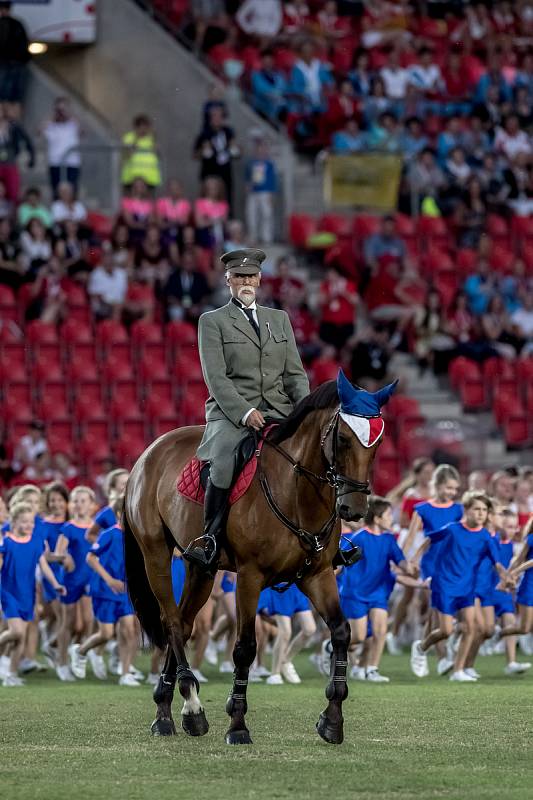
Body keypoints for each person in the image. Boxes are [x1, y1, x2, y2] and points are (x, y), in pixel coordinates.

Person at [183, 248, 310, 571]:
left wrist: (305, 411)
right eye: (239, 276)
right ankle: (209, 538)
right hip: (231, 415)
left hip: (280, 409)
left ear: (260, 279)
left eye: (251, 275)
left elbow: (294, 374)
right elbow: (216, 378)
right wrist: (243, 412)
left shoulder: (279, 319)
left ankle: (328, 538)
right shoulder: (212, 322)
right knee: (224, 460)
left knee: (318, 451)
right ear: (228, 281)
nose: (246, 281)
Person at [410, 492, 510, 683]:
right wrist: (415, 558)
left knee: (471, 628)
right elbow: (430, 540)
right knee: (446, 631)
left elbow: (497, 563)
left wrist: (505, 576)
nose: (481, 513)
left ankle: (458, 670)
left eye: (484, 510)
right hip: (445, 585)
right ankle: (421, 647)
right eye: (477, 509)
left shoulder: (486, 537)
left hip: (467, 588)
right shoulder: (452, 529)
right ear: (466, 510)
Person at [339, 497, 417, 682]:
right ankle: (335, 647)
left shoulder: (389, 539)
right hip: (355, 593)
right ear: (377, 518)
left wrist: (410, 568)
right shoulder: (358, 538)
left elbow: (400, 560)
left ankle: (371, 669)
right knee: (358, 637)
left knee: (379, 631)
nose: (392, 519)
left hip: (378, 592)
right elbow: (339, 563)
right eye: (389, 515)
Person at [70, 499, 140, 687]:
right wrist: (109, 580)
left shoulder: (136, 536)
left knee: (129, 630)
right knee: (106, 634)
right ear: (118, 515)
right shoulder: (109, 534)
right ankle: (80, 651)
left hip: (125, 590)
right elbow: (90, 558)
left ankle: (125, 673)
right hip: (104, 589)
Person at [0, 502, 66, 687]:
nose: (28, 525)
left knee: (20, 637)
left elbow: (44, 567)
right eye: (24, 522)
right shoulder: (6, 543)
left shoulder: (36, 543)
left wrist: (56, 584)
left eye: (30, 522)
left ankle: (11, 675)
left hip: (27, 595)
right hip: (8, 593)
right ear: (14, 522)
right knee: (16, 631)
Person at [55, 486, 95, 682]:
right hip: (71, 580)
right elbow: (58, 552)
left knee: (88, 622)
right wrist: (64, 557)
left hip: (89, 579)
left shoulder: (95, 527)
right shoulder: (68, 528)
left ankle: (79, 655)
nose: (79, 504)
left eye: (83, 501)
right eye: (76, 501)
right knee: (68, 622)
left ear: (91, 505)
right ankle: (61, 663)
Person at [265, 584, 316, 685]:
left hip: (297, 588)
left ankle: (285, 661)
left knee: (309, 629)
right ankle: (274, 674)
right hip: (281, 588)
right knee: (285, 632)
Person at [40, 97, 82, 198]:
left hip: (72, 163)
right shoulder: (50, 125)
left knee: (73, 191)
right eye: (59, 110)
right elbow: (39, 131)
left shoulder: (73, 125)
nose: (61, 112)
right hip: (55, 162)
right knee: (56, 191)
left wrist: (69, 114)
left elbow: (83, 131)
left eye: (64, 109)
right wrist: (53, 116)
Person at [0, 1, 30, 118]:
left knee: (6, 97)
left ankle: (8, 123)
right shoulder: (17, 24)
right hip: (15, 64)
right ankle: (9, 123)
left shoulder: (13, 24)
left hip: (8, 64)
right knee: (12, 97)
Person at [245, 138, 277, 246]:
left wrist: (271, 193)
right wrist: (248, 185)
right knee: (252, 215)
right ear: (256, 150)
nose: (261, 151)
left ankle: (266, 238)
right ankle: (253, 237)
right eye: (259, 148)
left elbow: (273, 179)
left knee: (266, 215)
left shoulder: (269, 164)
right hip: (253, 193)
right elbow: (247, 177)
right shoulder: (251, 163)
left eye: (264, 149)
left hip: (265, 192)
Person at [88, 243, 128, 321]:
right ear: (102, 259)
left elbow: (125, 293)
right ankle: (115, 331)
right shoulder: (96, 274)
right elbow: (96, 296)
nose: (109, 260)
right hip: (102, 305)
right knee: (117, 307)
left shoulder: (121, 273)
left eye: (111, 257)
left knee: (146, 306)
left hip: (120, 304)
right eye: (106, 257)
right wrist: (114, 303)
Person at [121, 114, 161, 191]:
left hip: (150, 177)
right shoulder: (129, 137)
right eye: (141, 126)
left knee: (148, 201)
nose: (143, 129)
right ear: (136, 127)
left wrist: (154, 141)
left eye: (146, 126)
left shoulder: (152, 138)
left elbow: (158, 154)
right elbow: (126, 154)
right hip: (131, 176)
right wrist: (137, 138)